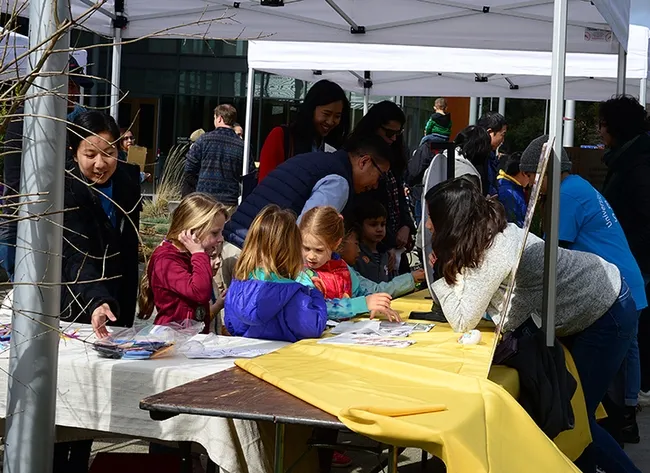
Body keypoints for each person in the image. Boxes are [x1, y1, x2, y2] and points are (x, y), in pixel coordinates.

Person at [425, 177, 641, 473]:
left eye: (431, 219)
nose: (427, 227)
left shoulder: (496, 250)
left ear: (449, 222)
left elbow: (463, 319)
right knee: (569, 417)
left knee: (574, 423)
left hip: (607, 309)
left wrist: (439, 276)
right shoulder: (488, 235)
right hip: (596, 306)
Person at [520, 135, 648, 444]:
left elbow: (552, 253)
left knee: (619, 364)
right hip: (624, 279)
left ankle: (621, 421)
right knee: (626, 356)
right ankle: (624, 418)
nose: (528, 183)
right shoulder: (575, 187)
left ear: (545, 170)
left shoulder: (566, 195)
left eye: (531, 175)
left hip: (614, 288)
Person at [57, 111, 141, 473]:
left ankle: (82, 459)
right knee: (70, 393)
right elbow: (75, 255)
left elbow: (129, 242)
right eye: (90, 153)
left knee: (98, 393)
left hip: (117, 298)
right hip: (75, 299)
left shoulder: (128, 181)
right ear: (74, 151)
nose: (100, 163)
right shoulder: (64, 188)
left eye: (108, 152)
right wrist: (95, 300)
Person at [0, 55, 93, 281]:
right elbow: (14, 190)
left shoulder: (72, 120)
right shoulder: (24, 120)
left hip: (65, 225)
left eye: (75, 86)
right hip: (27, 225)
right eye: (69, 85)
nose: (73, 93)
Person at [223, 133, 393, 249]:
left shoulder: (321, 160)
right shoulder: (339, 182)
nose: (376, 185)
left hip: (237, 238)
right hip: (255, 252)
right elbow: (308, 234)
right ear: (364, 162)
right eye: (380, 176)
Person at [599, 96, 650, 409]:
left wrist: (625, 253)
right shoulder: (626, 159)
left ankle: (628, 403)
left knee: (628, 334)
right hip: (629, 258)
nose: (600, 131)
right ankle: (627, 400)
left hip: (633, 261)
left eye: (603, 125)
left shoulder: (637, 165)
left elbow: (645, 220)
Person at [224, 205, 327, 342]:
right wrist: (315, 294)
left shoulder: (236, 285)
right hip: (284, 357)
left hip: (246, 356)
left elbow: (231, 325)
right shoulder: (292, 292)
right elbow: (312, 328)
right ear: (292, 249)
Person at [298, 206, 414, 321]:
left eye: (319, 250)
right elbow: (314, 307)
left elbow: (360, 292)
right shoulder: (301, 274)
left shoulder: (343, 268)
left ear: (336, 243)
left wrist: (376, 302)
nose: (311, 256)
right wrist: (363, 304)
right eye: (306, 248)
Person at [138, 193, 229, 328]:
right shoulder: (166, 260)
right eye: (215, 233)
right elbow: (200, 293)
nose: (221, 238)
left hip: (192, 336)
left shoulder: (188, 254)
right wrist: (198, 254)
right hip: (172, 337)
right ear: (192, 230)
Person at [348, 101, 415, 275]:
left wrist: (406, 225)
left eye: (397, 133)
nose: (393, 138)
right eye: (389, 132)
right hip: (372, 245)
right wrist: (387, 241)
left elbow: (400, 194)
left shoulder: (395, 154)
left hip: (393, 238)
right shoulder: (358, 155)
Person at [258, 79, 350, 182]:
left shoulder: (335, 147)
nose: (331, 121)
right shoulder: (281, 136)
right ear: (311, 110)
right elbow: (265, 184)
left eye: (337, 116)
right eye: (326, 114)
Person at [182, 104, 245, 211]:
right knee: (224, 227)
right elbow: (249, 174)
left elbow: (189, 168)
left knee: (204, 227)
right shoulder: (241, 145)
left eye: (214, 117)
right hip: (229, 200)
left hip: (205, 199)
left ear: (219, 118)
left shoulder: (203, 140)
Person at [352, 198, 395, 283]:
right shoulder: (356, 254)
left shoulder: (386, 254)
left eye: (383, 224)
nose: (379, 229)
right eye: (373, 225)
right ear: (360, 226)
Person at [476, 112, 508, 196]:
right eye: (502, 135)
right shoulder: (476, 158)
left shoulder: (489, 156)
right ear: (490, 132)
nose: (503, 140)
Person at [496, 152, 529, 227]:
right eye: (530, 175)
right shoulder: (509, 194)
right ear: (523, 172)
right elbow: (514, 223)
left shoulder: (508, 185)